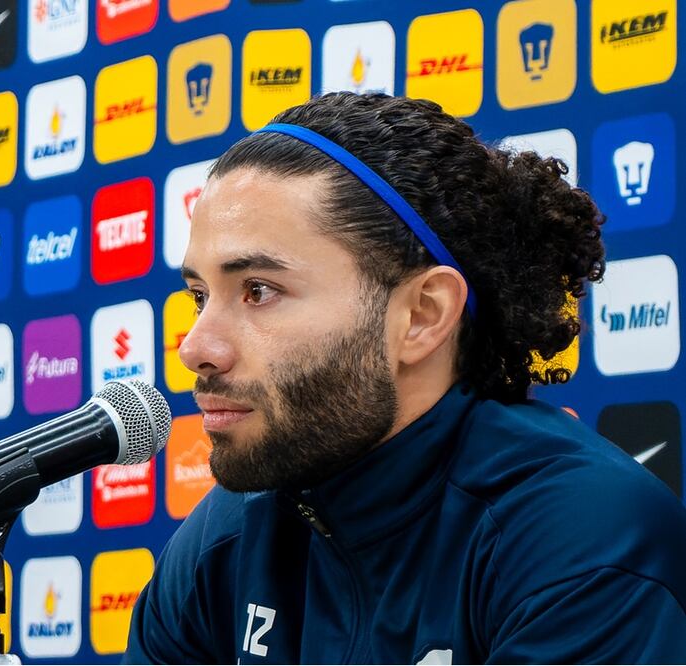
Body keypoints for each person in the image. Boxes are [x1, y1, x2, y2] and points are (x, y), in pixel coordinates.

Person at [124, 93, 686, 664]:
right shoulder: (224, 540)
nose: (196, 348)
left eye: (258, 291)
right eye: (199, 296)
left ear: (422, 315)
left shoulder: (580, 535)